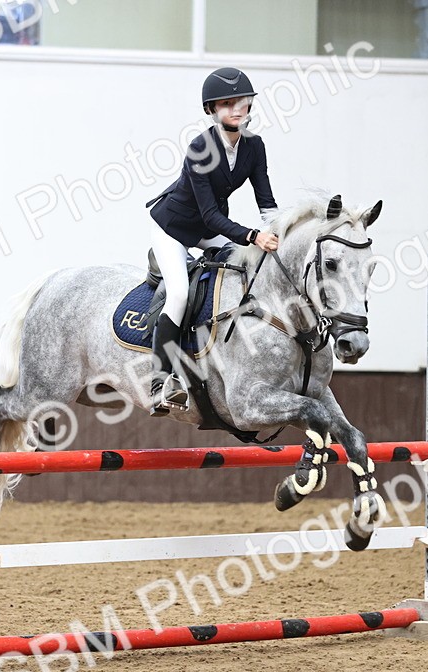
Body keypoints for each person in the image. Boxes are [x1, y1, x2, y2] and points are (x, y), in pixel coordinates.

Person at [144, 67, 281, 416]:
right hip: (174, 228)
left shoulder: (254, 146)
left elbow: (265, 200)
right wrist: (252, 236)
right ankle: (161, 382)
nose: (237, 109)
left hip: (209, 229)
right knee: (178, 293)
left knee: (243, 267)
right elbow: (209, 217)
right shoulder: (199, 149)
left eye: (243, 102)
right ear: (212, 110)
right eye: (227, 103)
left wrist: (279, 230)